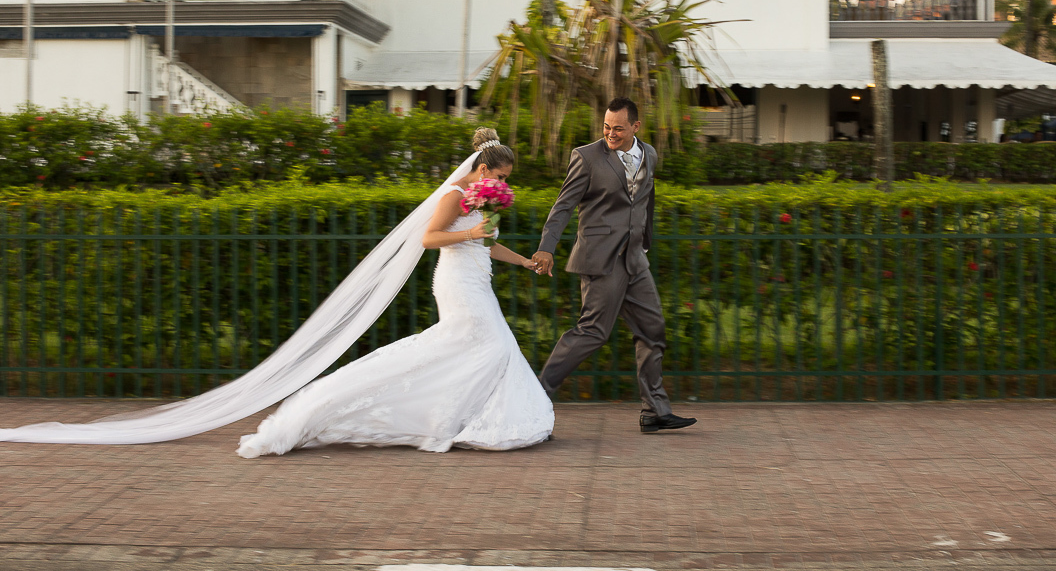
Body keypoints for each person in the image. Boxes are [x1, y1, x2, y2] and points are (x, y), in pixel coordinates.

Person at [0, 129, 553, 454]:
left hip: (475, 277)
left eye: (506, 179)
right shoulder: (457, 194)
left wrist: (524, 259)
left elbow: (485, 244)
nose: (504, 184)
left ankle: (459, 416)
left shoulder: (482, 201)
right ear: (484, 167)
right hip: (455, 283)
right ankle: (369, 411)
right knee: (484, 344)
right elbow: (431, 238)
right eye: (501, 176)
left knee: (478, 348)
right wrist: (472, 232)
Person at [533, 97, 696, 434]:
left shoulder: (649, 154)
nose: (610, 133)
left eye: (618, 128)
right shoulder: (587, 157)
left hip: (635, 258)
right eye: (607, 127)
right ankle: (534, 396)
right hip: (600, 258)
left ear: (635, 126)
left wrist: (645, 241)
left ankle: (655, 411)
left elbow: (646, 200)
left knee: (652, 330)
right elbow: (563, 205)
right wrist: (547, 247)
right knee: (592, 332)